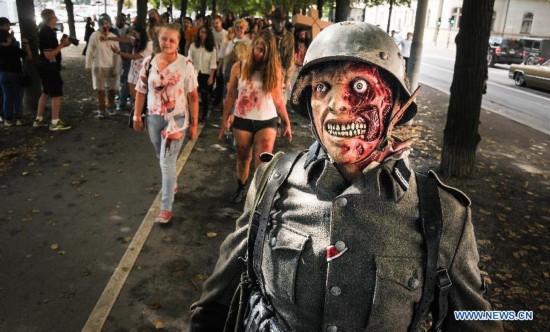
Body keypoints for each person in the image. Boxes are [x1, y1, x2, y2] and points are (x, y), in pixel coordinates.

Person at [190, 22, 503, 331]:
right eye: (322, 88)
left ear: (395, 104)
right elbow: (216, 305)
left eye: (360, 87)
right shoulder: (271, 184)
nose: (337, 104)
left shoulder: (443, 213)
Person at [133, 23, 199, 224]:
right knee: (159, 155)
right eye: (164, 39)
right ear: (157, 39)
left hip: (177, 120)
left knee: (166, 162)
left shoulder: (185, 64)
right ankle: (173, 183)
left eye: (172, 39)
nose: (167, 43)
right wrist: (137, 116)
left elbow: (193, 96)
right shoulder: (149, 62)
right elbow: (141, 90)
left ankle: (165, 207)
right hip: (153, 117)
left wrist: (194, 124)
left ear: (179, 42)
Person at [218, 29, 292, 203]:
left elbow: (278, 100)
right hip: (242, 119)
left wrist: (287, 123)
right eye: (258, 48)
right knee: (243, 157)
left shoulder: (275, 70)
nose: (260, 54)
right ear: (253, 46)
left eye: (264, 51)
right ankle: (242, 187)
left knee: (263, 161)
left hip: (266, 120)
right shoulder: (240, 67)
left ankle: (258, 196)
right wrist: (224, 121)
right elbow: (230, 95)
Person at [33, 9, 72, 131]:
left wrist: (62, 44)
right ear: (50, 19)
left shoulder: (43, 29)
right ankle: (55, 122)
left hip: (44, 65)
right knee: (56, 93)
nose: (56, 20)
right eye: (55, 18)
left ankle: (38, 119)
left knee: (45, 92)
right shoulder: (47, 32)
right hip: (49, 66)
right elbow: (49, 55)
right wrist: (62, 45)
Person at [85, 13, 121, 118]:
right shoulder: (94, 36)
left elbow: (117, 53)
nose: (105, 26)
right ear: (99, 25)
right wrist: (88, 65)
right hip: (99, 66)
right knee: (100, 89)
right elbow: (89, 51)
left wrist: (117, 66)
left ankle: (111, 107)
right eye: (102, 24)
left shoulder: (113, 37)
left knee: (111, 88)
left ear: (109, 24)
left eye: (106, 23)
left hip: (111, 65)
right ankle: (102, 109)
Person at [106, 25, 153, 103]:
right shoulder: (137, 40)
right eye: (131, 33)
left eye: (134, 33)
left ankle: (139, 111)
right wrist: (109, 38)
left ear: (141, 33)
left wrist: (118, 52)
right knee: (133, 94)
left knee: (140, 95)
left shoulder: (149, 45)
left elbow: (134, 57)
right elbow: (124, 39)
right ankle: (135, 109)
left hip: (142, 73)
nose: (132, 35)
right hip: (133, 72)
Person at [0, 29, 32, 126]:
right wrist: (26, 45)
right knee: (18, 96)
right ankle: (19, 118)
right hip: (15, 74)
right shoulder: (14, 49)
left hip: (2, 75)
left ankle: (8, 119)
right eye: (10, 36)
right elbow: (29, 57)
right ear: (8, 38)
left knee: (7, 96)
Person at [188, 25, 217, 121]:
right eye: (201, 32)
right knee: (193, 95)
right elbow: (189, 58)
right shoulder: (193, 45)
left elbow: (213, 63)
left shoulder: (211, 48)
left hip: (206, 73)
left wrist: (211, 76)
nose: (203, 34)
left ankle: (204, 115)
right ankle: (193, 114)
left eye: (205, 32)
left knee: (204, 95)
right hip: (194, 73)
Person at [269, 7, 294, 99]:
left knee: (280, 101)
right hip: (268, 71)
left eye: (282, 21)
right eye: (277, 21)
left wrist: (287, 79)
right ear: (272, 21)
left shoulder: (289, 37)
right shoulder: (267, 34)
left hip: (282, 73)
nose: (280, 24)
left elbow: (290, 58)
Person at [114, 14, 132, 109]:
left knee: (124, 78)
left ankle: (123, 99)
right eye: (122, 20)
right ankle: (121, 96)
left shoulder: (127, 29)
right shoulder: (113, 29)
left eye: (125, 20)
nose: (124, 22)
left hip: (125, 56)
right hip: (116, 56)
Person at [211, 14, 227, 107]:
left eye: (217, 23)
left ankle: (218, 99)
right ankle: (213, 95)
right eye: (214, 23)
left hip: (222, 59)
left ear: (221, 22)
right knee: (211, 79)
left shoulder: (225, 33)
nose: (215, 25)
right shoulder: (212, 33)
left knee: (220, 79)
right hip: (213, 58)